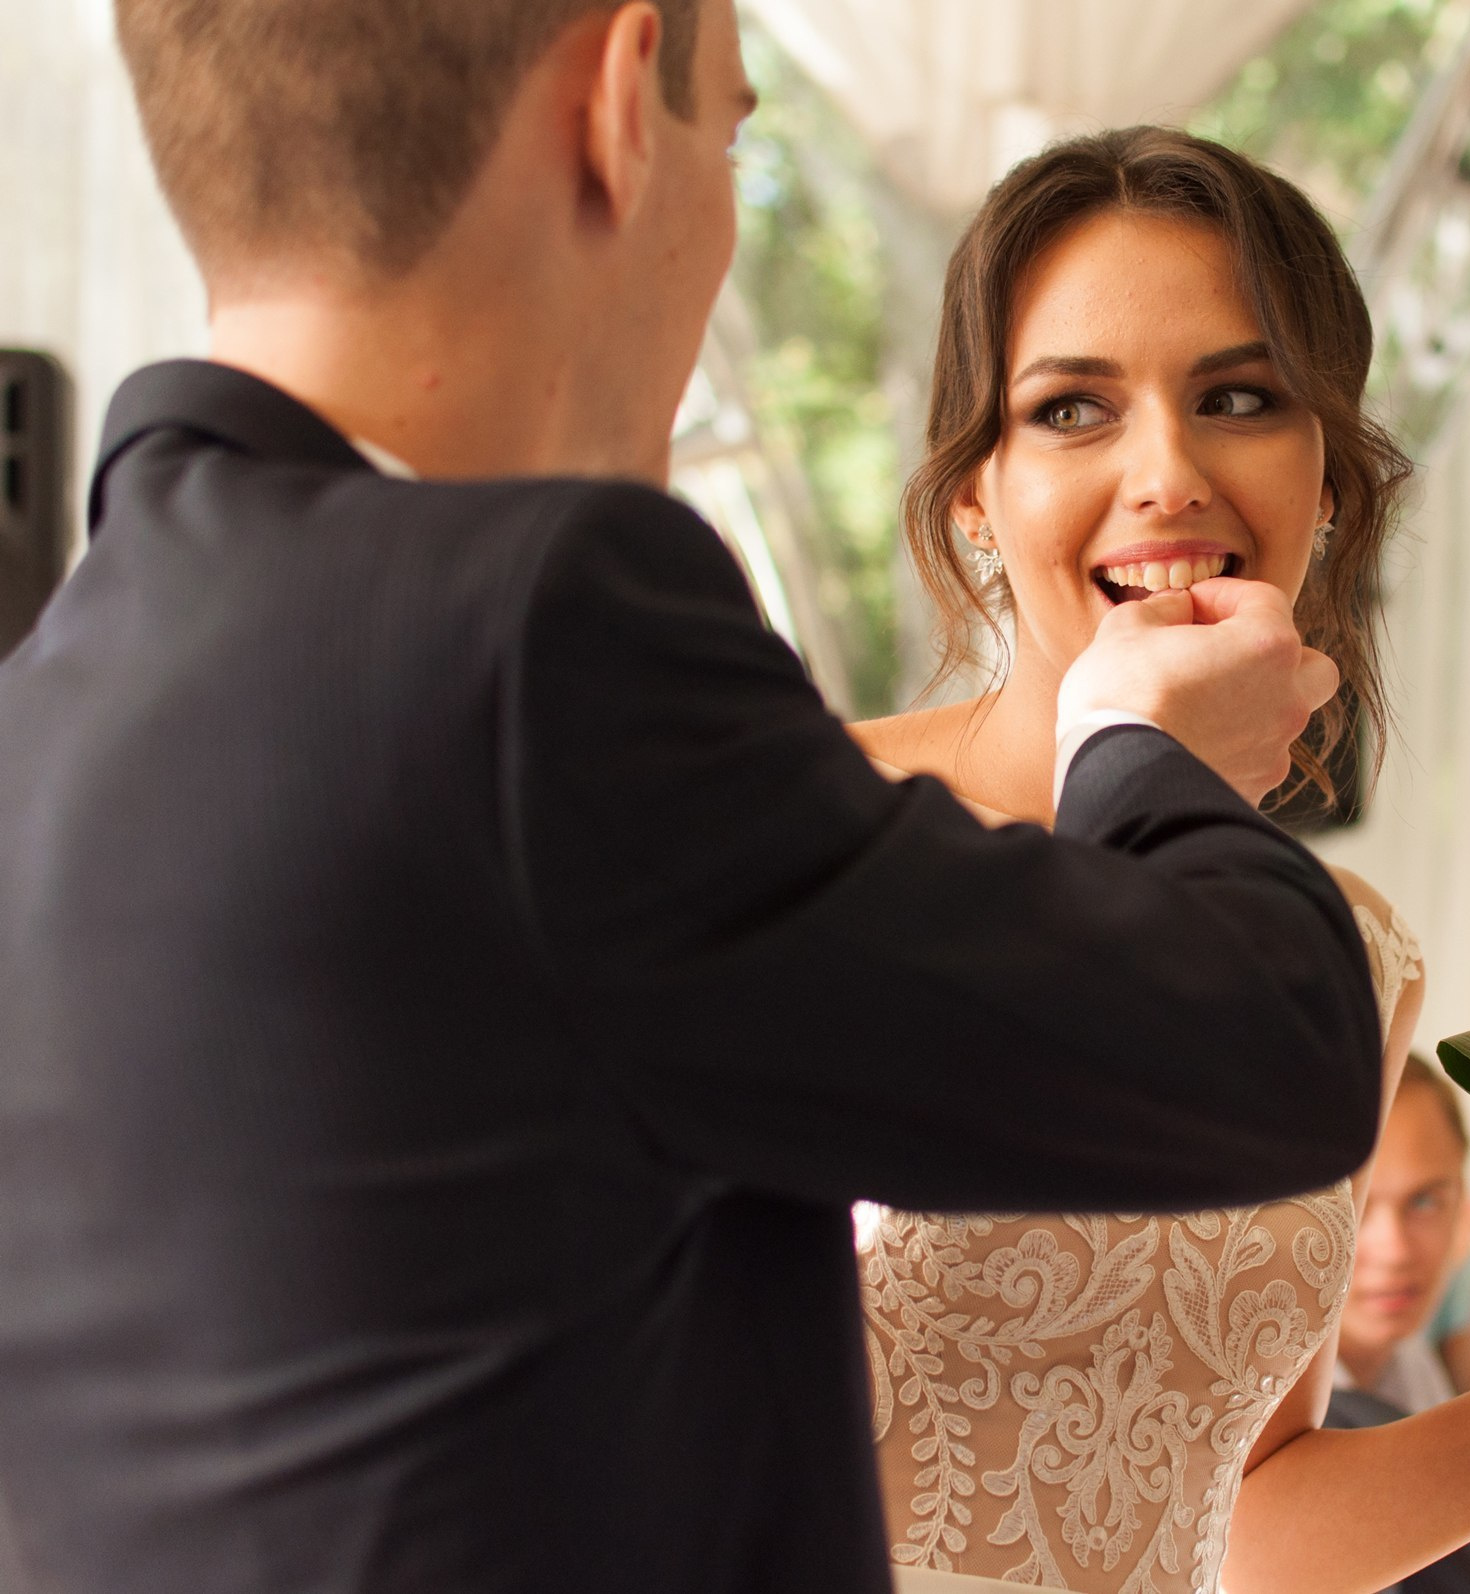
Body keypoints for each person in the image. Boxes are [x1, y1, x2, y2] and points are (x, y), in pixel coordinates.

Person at [0, 6, 1391, 1593]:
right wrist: (1142, 750)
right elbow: (1265, 1046)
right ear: (615, 102)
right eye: (727, 137)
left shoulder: (61, 696)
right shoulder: (543, 633)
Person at [851, 129, 1470, 1594]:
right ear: (976, 495)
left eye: (1238, 398)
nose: (1166, 475)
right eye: (1071, 410)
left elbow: (1249, 1523)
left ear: (1334, 482)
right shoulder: (807, 814)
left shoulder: (1341, 955)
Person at [1314, 1057, 1470, 1594]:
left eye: (1425, 1200)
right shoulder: (1264, 1433)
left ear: (1463, 1201)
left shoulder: (1408, 1361)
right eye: (1354, 1208)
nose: (1396, 1250)